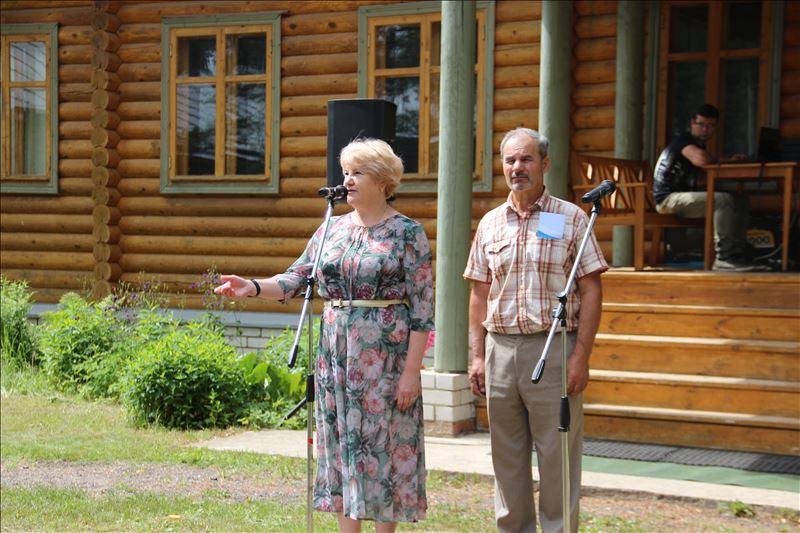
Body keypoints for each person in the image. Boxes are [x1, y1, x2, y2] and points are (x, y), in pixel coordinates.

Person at [214, 138, 434, 532]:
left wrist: (412, 372)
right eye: (345, 172)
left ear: (383, 180)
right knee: (340, 445)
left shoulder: (407, 233)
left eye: (357, 173)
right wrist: (252, 285)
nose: (347, 181)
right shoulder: (330, 228)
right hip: (336, 355)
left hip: (385, 358)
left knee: (385, 443)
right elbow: (296, 277)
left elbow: (422, 310)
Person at [464, 128, 607, 533]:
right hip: (501, 351)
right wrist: (477, 355)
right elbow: (478, 293)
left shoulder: (570, 217)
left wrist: (581, 355)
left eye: (525, 159)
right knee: (506, 455)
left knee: (557, 454)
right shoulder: (491, 223)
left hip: (554, 347)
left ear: (545, 164)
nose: (516, 168)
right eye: (510, 160)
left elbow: (591, 287)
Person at [653, 103, 768, 271]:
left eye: (710, 125)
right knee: (723, 200)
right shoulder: (684, 141)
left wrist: (729, 161)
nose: (705, 129)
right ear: (693, 123)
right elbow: (702, 160)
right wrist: (726, 161)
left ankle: (737, 254)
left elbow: (702, 176)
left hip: (683, 198)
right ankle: (724, 257)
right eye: (701, 124)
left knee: (741, 200)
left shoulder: (699, 146)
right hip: (667, 199)